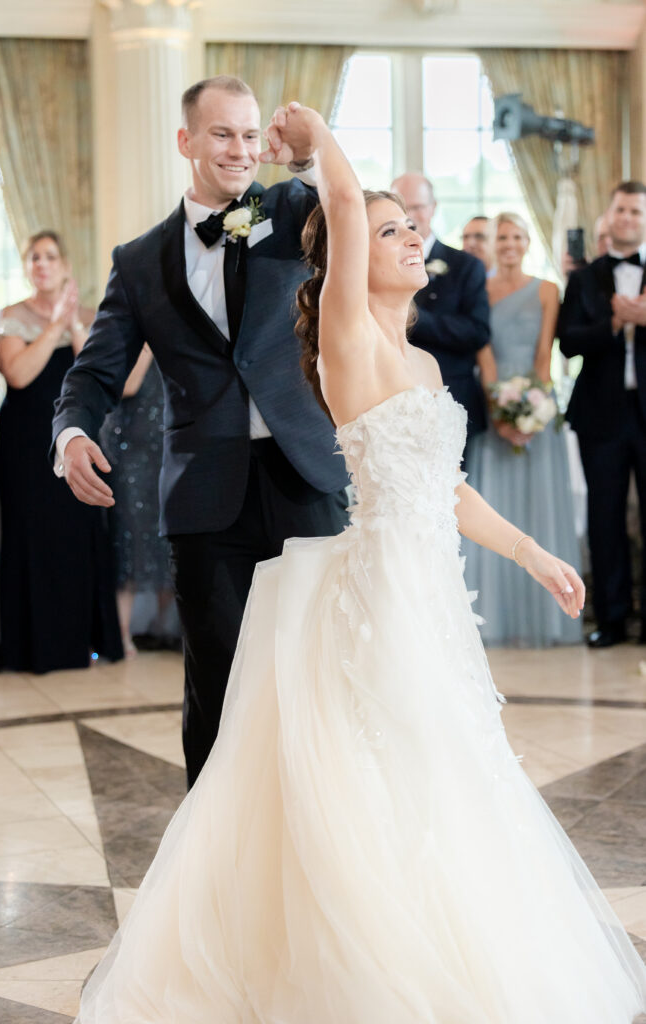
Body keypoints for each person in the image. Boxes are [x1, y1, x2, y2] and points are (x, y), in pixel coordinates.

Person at [74, 104, 646, 1024]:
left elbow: (447, 493)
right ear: (349, 253)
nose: (411, 238)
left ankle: (435, 936)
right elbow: (339, 201)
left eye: (411, 227)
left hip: (430, 599)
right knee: (372, 768)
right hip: (370, 597)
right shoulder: (347, 335)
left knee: (441, 773)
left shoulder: (421, 364)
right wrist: (315, 135)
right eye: (390, 231)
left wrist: (533, 549)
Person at [51, 76, 349, 787]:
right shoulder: (139, 260)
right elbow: (93, 374)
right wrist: (70, 436)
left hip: (304, 475)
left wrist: (310, 158)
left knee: (324, 669)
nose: (240, 150)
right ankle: (215, 861)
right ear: (186, 142)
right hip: (204, 501)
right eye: (222, 134)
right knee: (215, 684)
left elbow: (354, 216)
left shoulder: (294, 209)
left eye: (250, 135)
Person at [0, 231, 123, 673]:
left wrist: (73, 324)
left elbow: (97, 373)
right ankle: (30, 648)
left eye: (51, 257)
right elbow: (19, 376)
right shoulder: (12, 317)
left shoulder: (90, 315)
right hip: (24, 443)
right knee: (30, 535)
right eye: (34, 258)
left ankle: (82, 643)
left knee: (76, 532)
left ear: (65, 265)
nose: (42, 264)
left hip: (75, 437)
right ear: (27, 267)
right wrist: (53, 325)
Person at [463, 213, 582, 646]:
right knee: (493, 508)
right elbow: (484, 356)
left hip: (535, 402)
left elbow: (543, 357)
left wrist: (531, 411)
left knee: (538, 507)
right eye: (502, 237)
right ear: (493, 244)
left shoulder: (547, 290)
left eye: (516, 236)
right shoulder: (479, 288)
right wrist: (499, 410)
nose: (509, 243)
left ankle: (548, 617)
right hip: (491, 402)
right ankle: (492, 618)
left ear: (528, 242)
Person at [559, 180, 646, 647]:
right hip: (601, 416)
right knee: (605, 518)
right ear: (609, 216)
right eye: (620, 210)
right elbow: (568, 343)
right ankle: (610, 619)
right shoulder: (584, 278)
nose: (627, 218)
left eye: (635, 211)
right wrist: (612, 323)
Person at [391, 172, 489, 466]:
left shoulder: (466, 266)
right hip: (391, 401)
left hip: (450, 399)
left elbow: (477, 332)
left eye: (418, 207)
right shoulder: (377, 265)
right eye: (402, 207)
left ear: (434, 208)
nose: (410, 216)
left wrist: (413, 317)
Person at [100, 346, 175, 657]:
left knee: (169, 543)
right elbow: (126, 385)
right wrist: (147, 343)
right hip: (131, 450)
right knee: (130, 542)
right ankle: (122, 634)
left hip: (169, 444)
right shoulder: (130, 336)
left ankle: (165, 628)